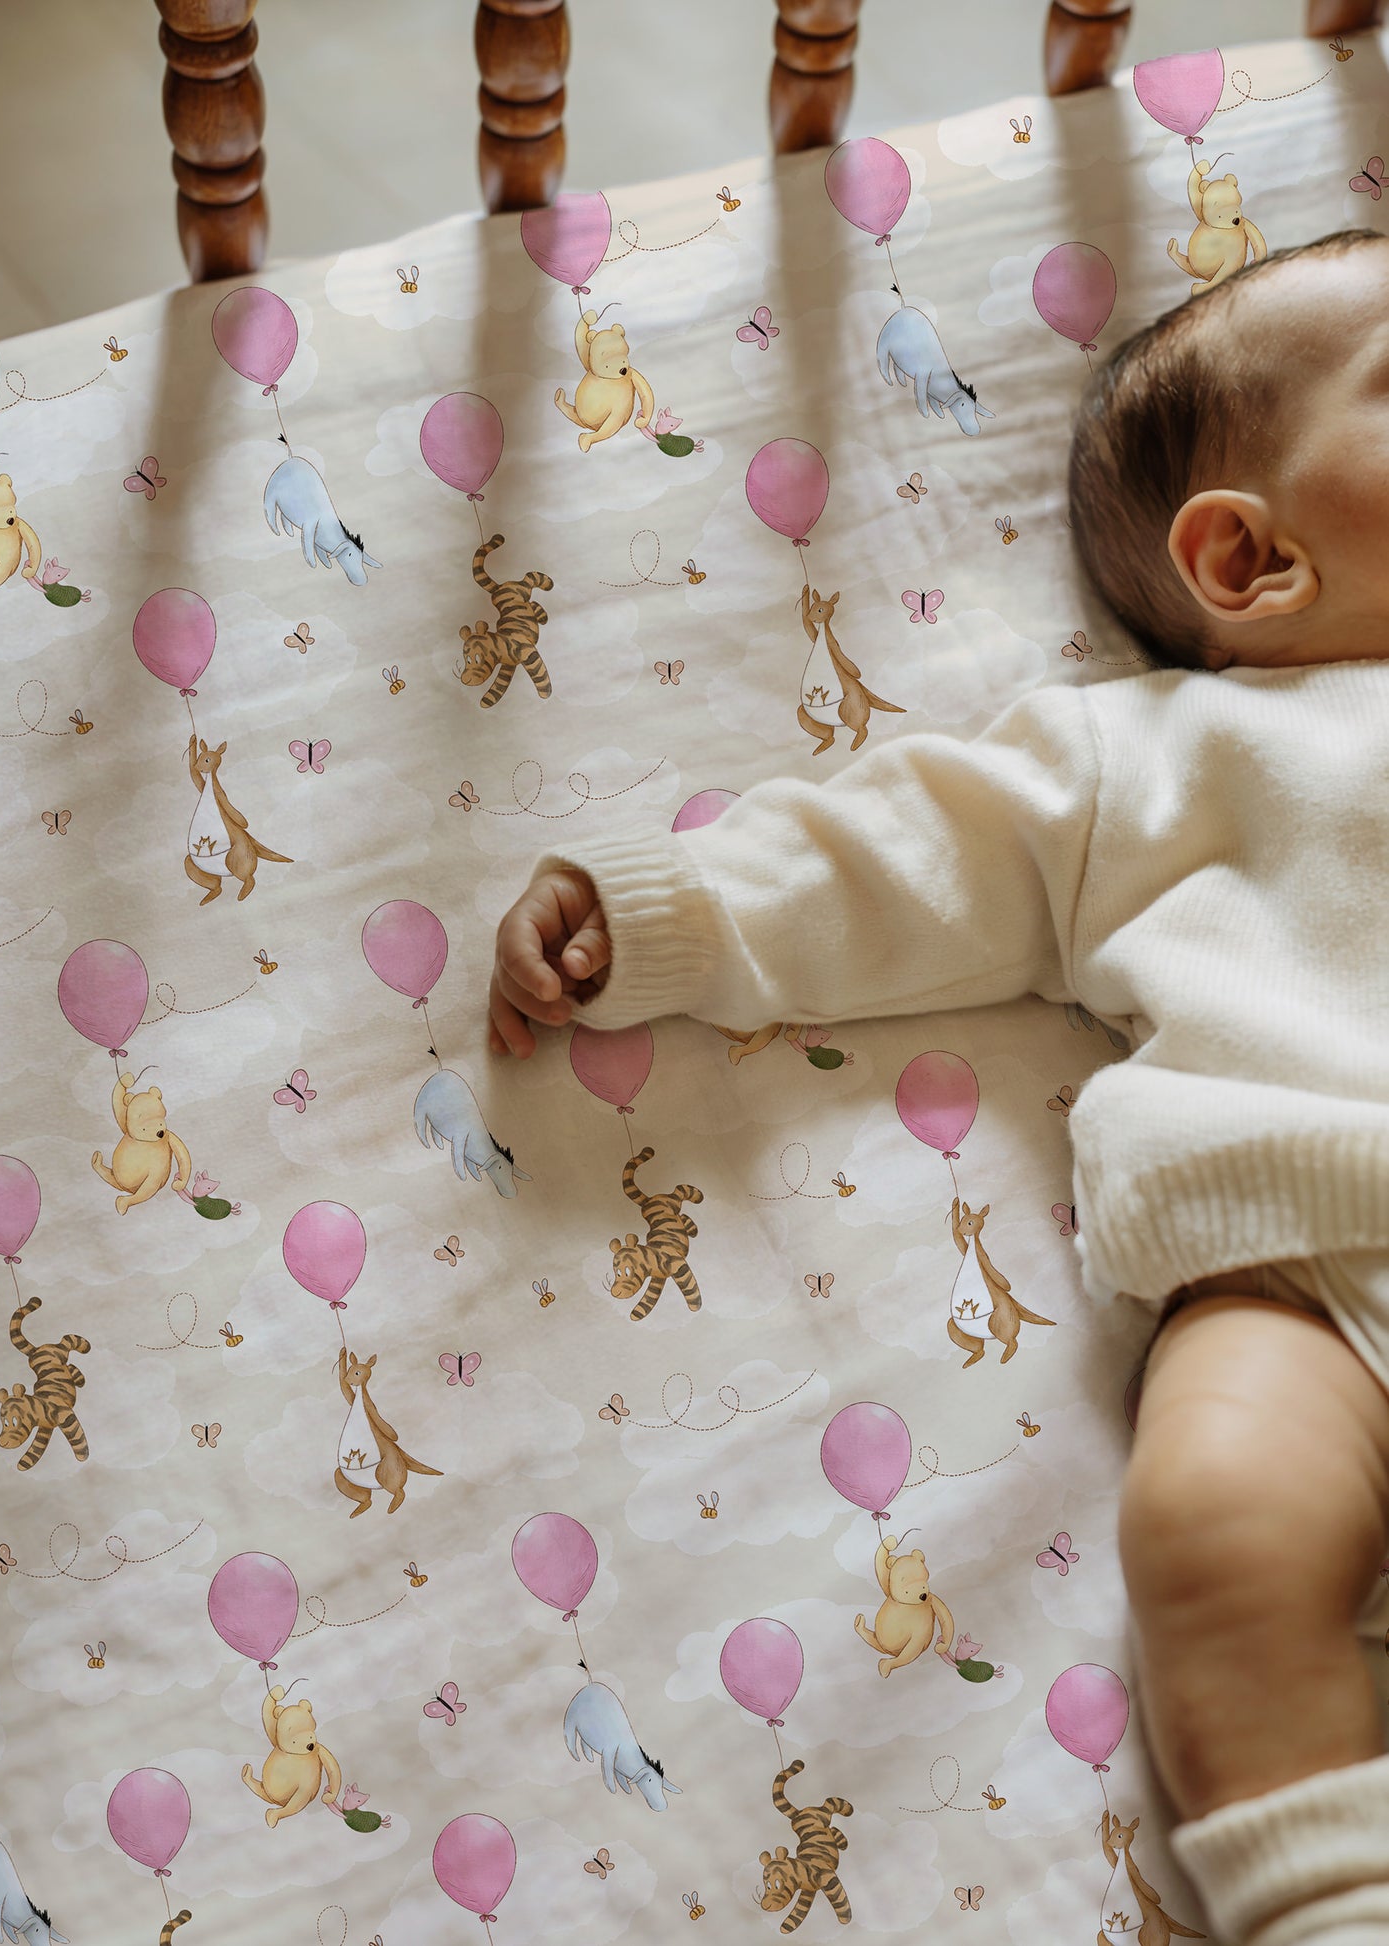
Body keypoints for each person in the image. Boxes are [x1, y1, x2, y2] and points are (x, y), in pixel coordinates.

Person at [489, 229, 1389, 1946]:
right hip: (1301, 1266)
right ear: (1249, 560)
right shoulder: (1151, 765)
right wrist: (662, 911)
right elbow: (907, 853)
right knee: (1212, 1526)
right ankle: (1327, 1905)